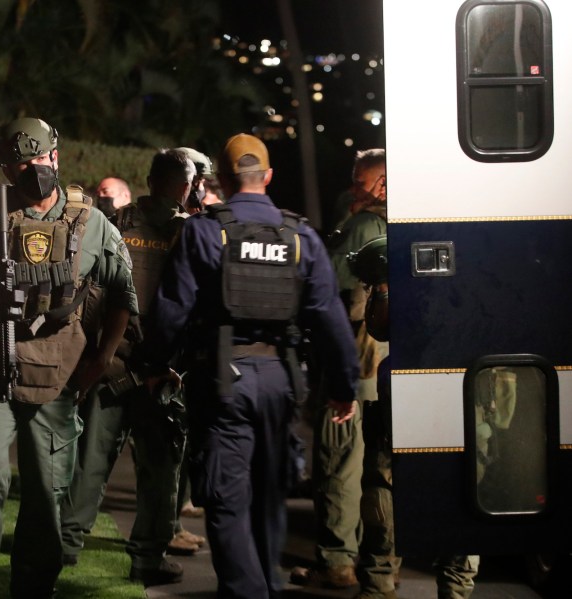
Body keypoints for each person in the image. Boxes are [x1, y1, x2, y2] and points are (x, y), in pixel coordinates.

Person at [0, 117, 138, 599]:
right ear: (4, 167)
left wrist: (101, 357)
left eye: (40, 159)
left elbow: (124, 292)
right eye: (21, 164)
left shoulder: (91, 222)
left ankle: (35, 588)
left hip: (56, 376)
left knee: (47, 493)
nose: (33, 169)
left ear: (55, 157)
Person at [135, 133, 359, 598]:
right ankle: (261, 588)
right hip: (281, 383)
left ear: (222, 178)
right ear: (269, 176)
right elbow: (330, 318)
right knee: (269, 497)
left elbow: (172, 308)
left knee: (225, 497)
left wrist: (155, 364)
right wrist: (343, 388)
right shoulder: (300, 237)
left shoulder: (204, 231)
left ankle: (246, 592)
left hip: (223, 382)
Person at [59, 149, 202, 584]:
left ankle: (65, 545)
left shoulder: (115, 223)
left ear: (150, 178)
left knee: (91, 461)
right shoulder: (191, 232)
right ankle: (148, 557)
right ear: (185, 186)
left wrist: (96, 355)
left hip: (112, 364)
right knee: (159, 469)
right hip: (162, 372)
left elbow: (86, 290)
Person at [349, 236, 479, 599]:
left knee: (392, 499)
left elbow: (380, 324)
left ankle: (383, 587)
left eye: (377, 291)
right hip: (442, 405)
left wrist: (386, 292)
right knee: (389, 503)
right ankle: (381, 587)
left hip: (442, 408)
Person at [297, 148, 388, 589]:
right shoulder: (401, 224)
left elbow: (326, 290)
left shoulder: (364, 227)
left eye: (361, 180)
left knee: (337, 462)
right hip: (385, 368)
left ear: (382, 185)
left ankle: (336, 560)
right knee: (376, 469)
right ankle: (376, 565)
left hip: (354, 367)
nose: (353, 187)